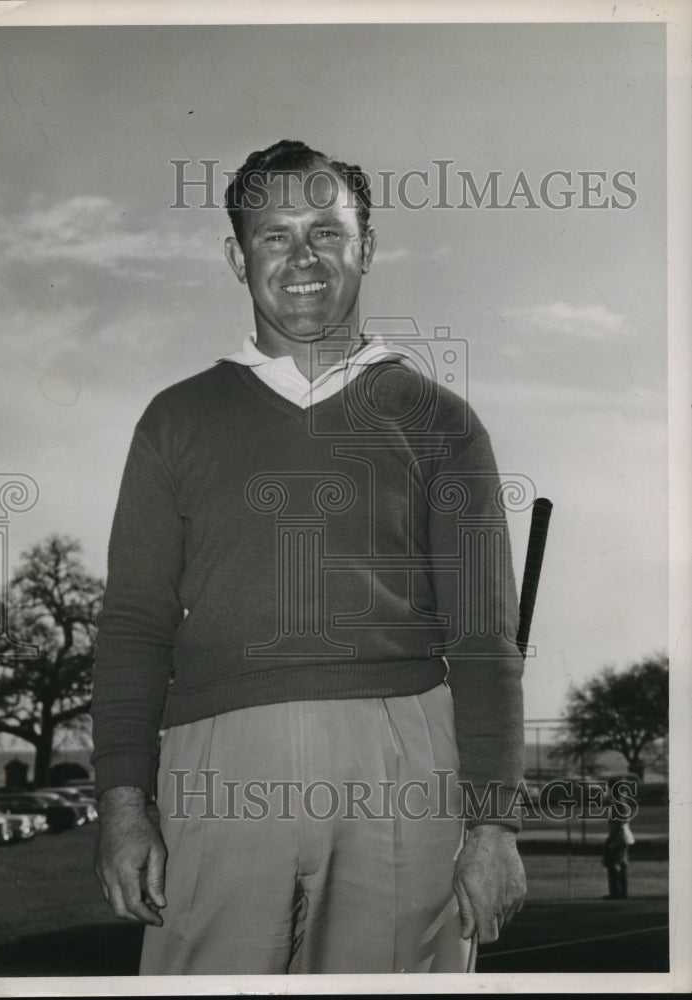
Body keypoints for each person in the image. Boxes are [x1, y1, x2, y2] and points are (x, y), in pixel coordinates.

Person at [92, 139, 527, 975]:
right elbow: (135, 625)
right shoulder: (174, 419)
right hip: (215, 759)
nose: (302, 259)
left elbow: (484, 637)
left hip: (402, 761)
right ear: (236, 255)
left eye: (327, 232)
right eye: (274, 234)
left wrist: (493, 826)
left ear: (366, 246)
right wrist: (122, 804)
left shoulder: (439, 419)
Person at [602, 816, 635, 899]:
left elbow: (618, 825)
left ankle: (616, 893)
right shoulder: (620, 807)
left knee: (614, 865)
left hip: (619, 838)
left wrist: (613, 840)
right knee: (621, 865)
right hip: (623, 838)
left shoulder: (617, 807)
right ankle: (622, 893)